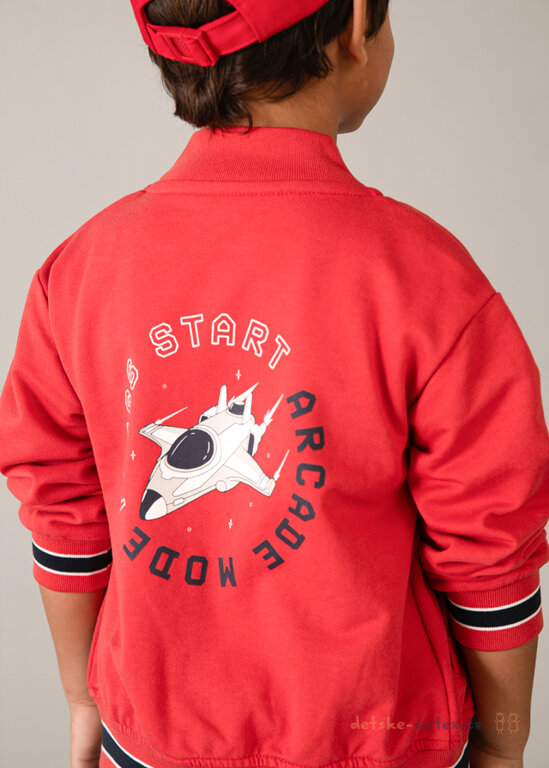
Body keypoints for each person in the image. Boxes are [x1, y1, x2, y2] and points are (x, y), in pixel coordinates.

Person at [0, 1, 547, 767]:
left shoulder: (80, 269)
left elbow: (62, 509)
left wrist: (83, 698)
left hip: (153, 742)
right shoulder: (430, 278)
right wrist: (503, 742)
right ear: (356, 27)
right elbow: (490, 546)